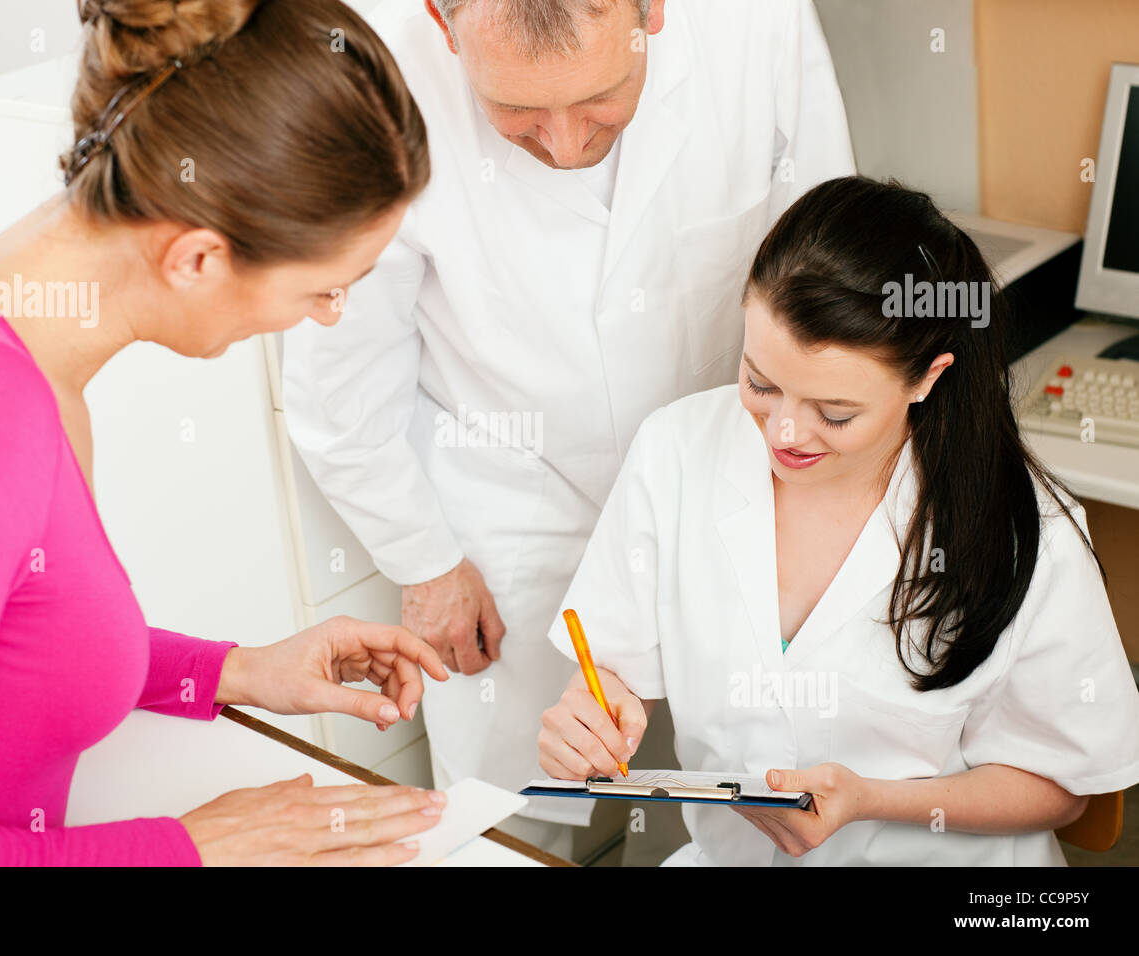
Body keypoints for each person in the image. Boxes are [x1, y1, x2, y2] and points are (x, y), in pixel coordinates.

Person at [0, 0, 451, 866]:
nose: (327, 317)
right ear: (197, 258)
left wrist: (235, 671)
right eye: (323, 289)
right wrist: (185, 850)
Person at [282, 0, 855, 857]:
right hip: (509, 500)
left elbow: (832, 241)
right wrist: (423, 558)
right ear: (443, 19)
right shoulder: (365, 72)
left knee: (735, 796)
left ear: (651, 11)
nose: (564, 145)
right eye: (515, 113)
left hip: (732, 478)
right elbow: (339, 373)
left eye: (599, 101)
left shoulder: (755, 20)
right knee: (503, 816)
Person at [538, 175, 1139, 866]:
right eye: (761, 382)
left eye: (836, 412)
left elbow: (1064, 788)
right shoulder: (676, 450)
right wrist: (591, 712)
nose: (785, 430)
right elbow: (612, 666)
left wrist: (872, 799)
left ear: (926, 378)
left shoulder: (1022, 529)